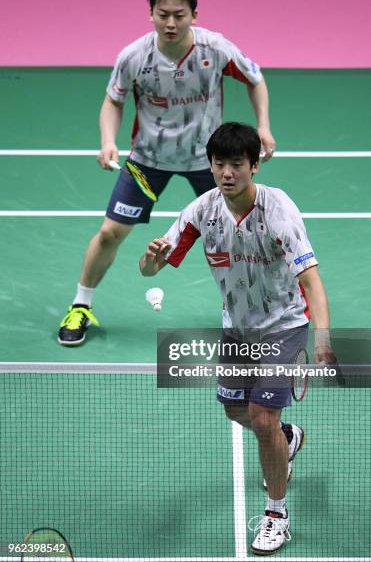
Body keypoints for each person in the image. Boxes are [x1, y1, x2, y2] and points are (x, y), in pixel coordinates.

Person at [139, 122, 336, 555]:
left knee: (261, 418)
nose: (227, 172)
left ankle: (276, 515)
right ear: (210, 165)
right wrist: (150, 260)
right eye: (219, 164)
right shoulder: (201, 212)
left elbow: (313, 279)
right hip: (237, 327)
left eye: (237, 164)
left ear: (254, 165)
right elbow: (150, 269)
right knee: (235, 411)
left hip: (284, 324)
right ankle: (288, 438)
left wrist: (322, 338)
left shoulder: (279, 211)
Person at [58, 0, 275, 346]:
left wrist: (264, 126)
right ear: (151, 14)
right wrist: (107, 140)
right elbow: (114, 99)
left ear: (194, 14)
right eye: (163, 14)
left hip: (210, 162)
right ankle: (80, 305)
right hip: (148, 160)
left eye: (179, 14)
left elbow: (255, 79)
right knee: (110, 233)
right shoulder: (134, 56)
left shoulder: (216, 49)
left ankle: (251, 313)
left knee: (240, 235)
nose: (171, 23)